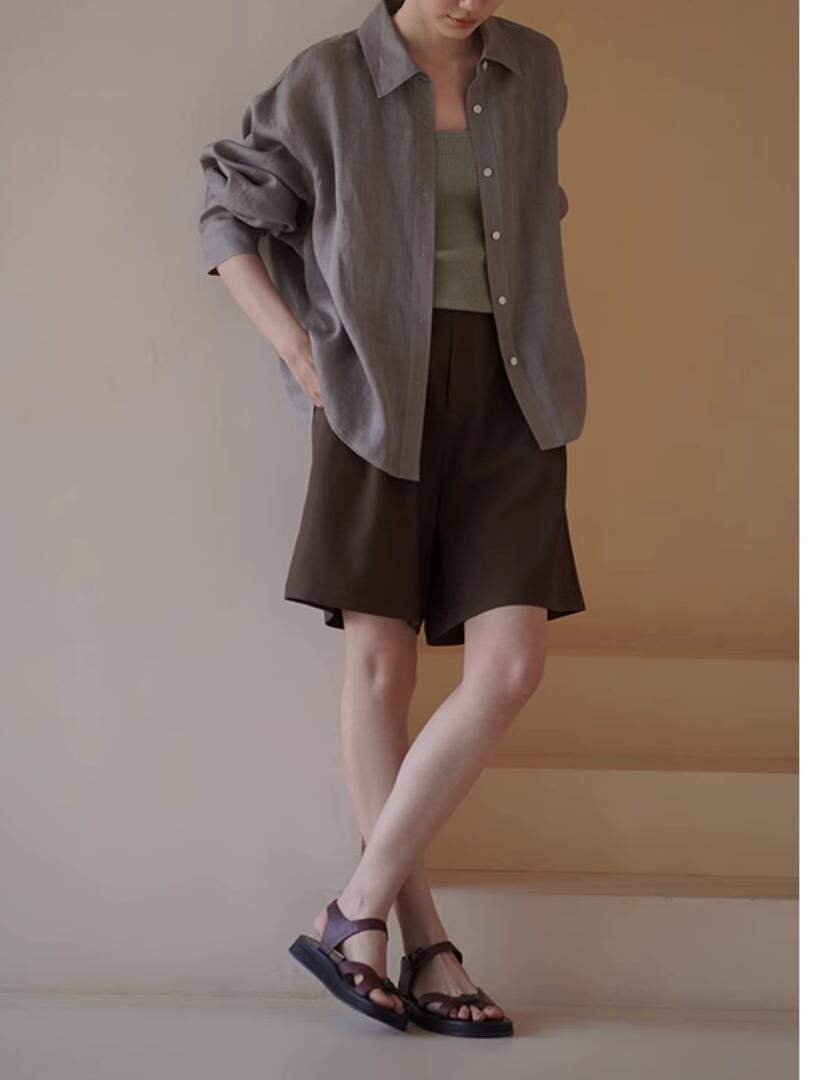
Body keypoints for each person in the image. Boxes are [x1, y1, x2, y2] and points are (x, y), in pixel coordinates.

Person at [197, 0, 587, 1038]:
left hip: (515, 393)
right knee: (382, 669)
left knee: (512, 665)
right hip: (375, 393)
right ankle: (425, 944)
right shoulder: (329, 78)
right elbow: (228, 211)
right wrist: (297, 349)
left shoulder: (536, 70)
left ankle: (353, 908)